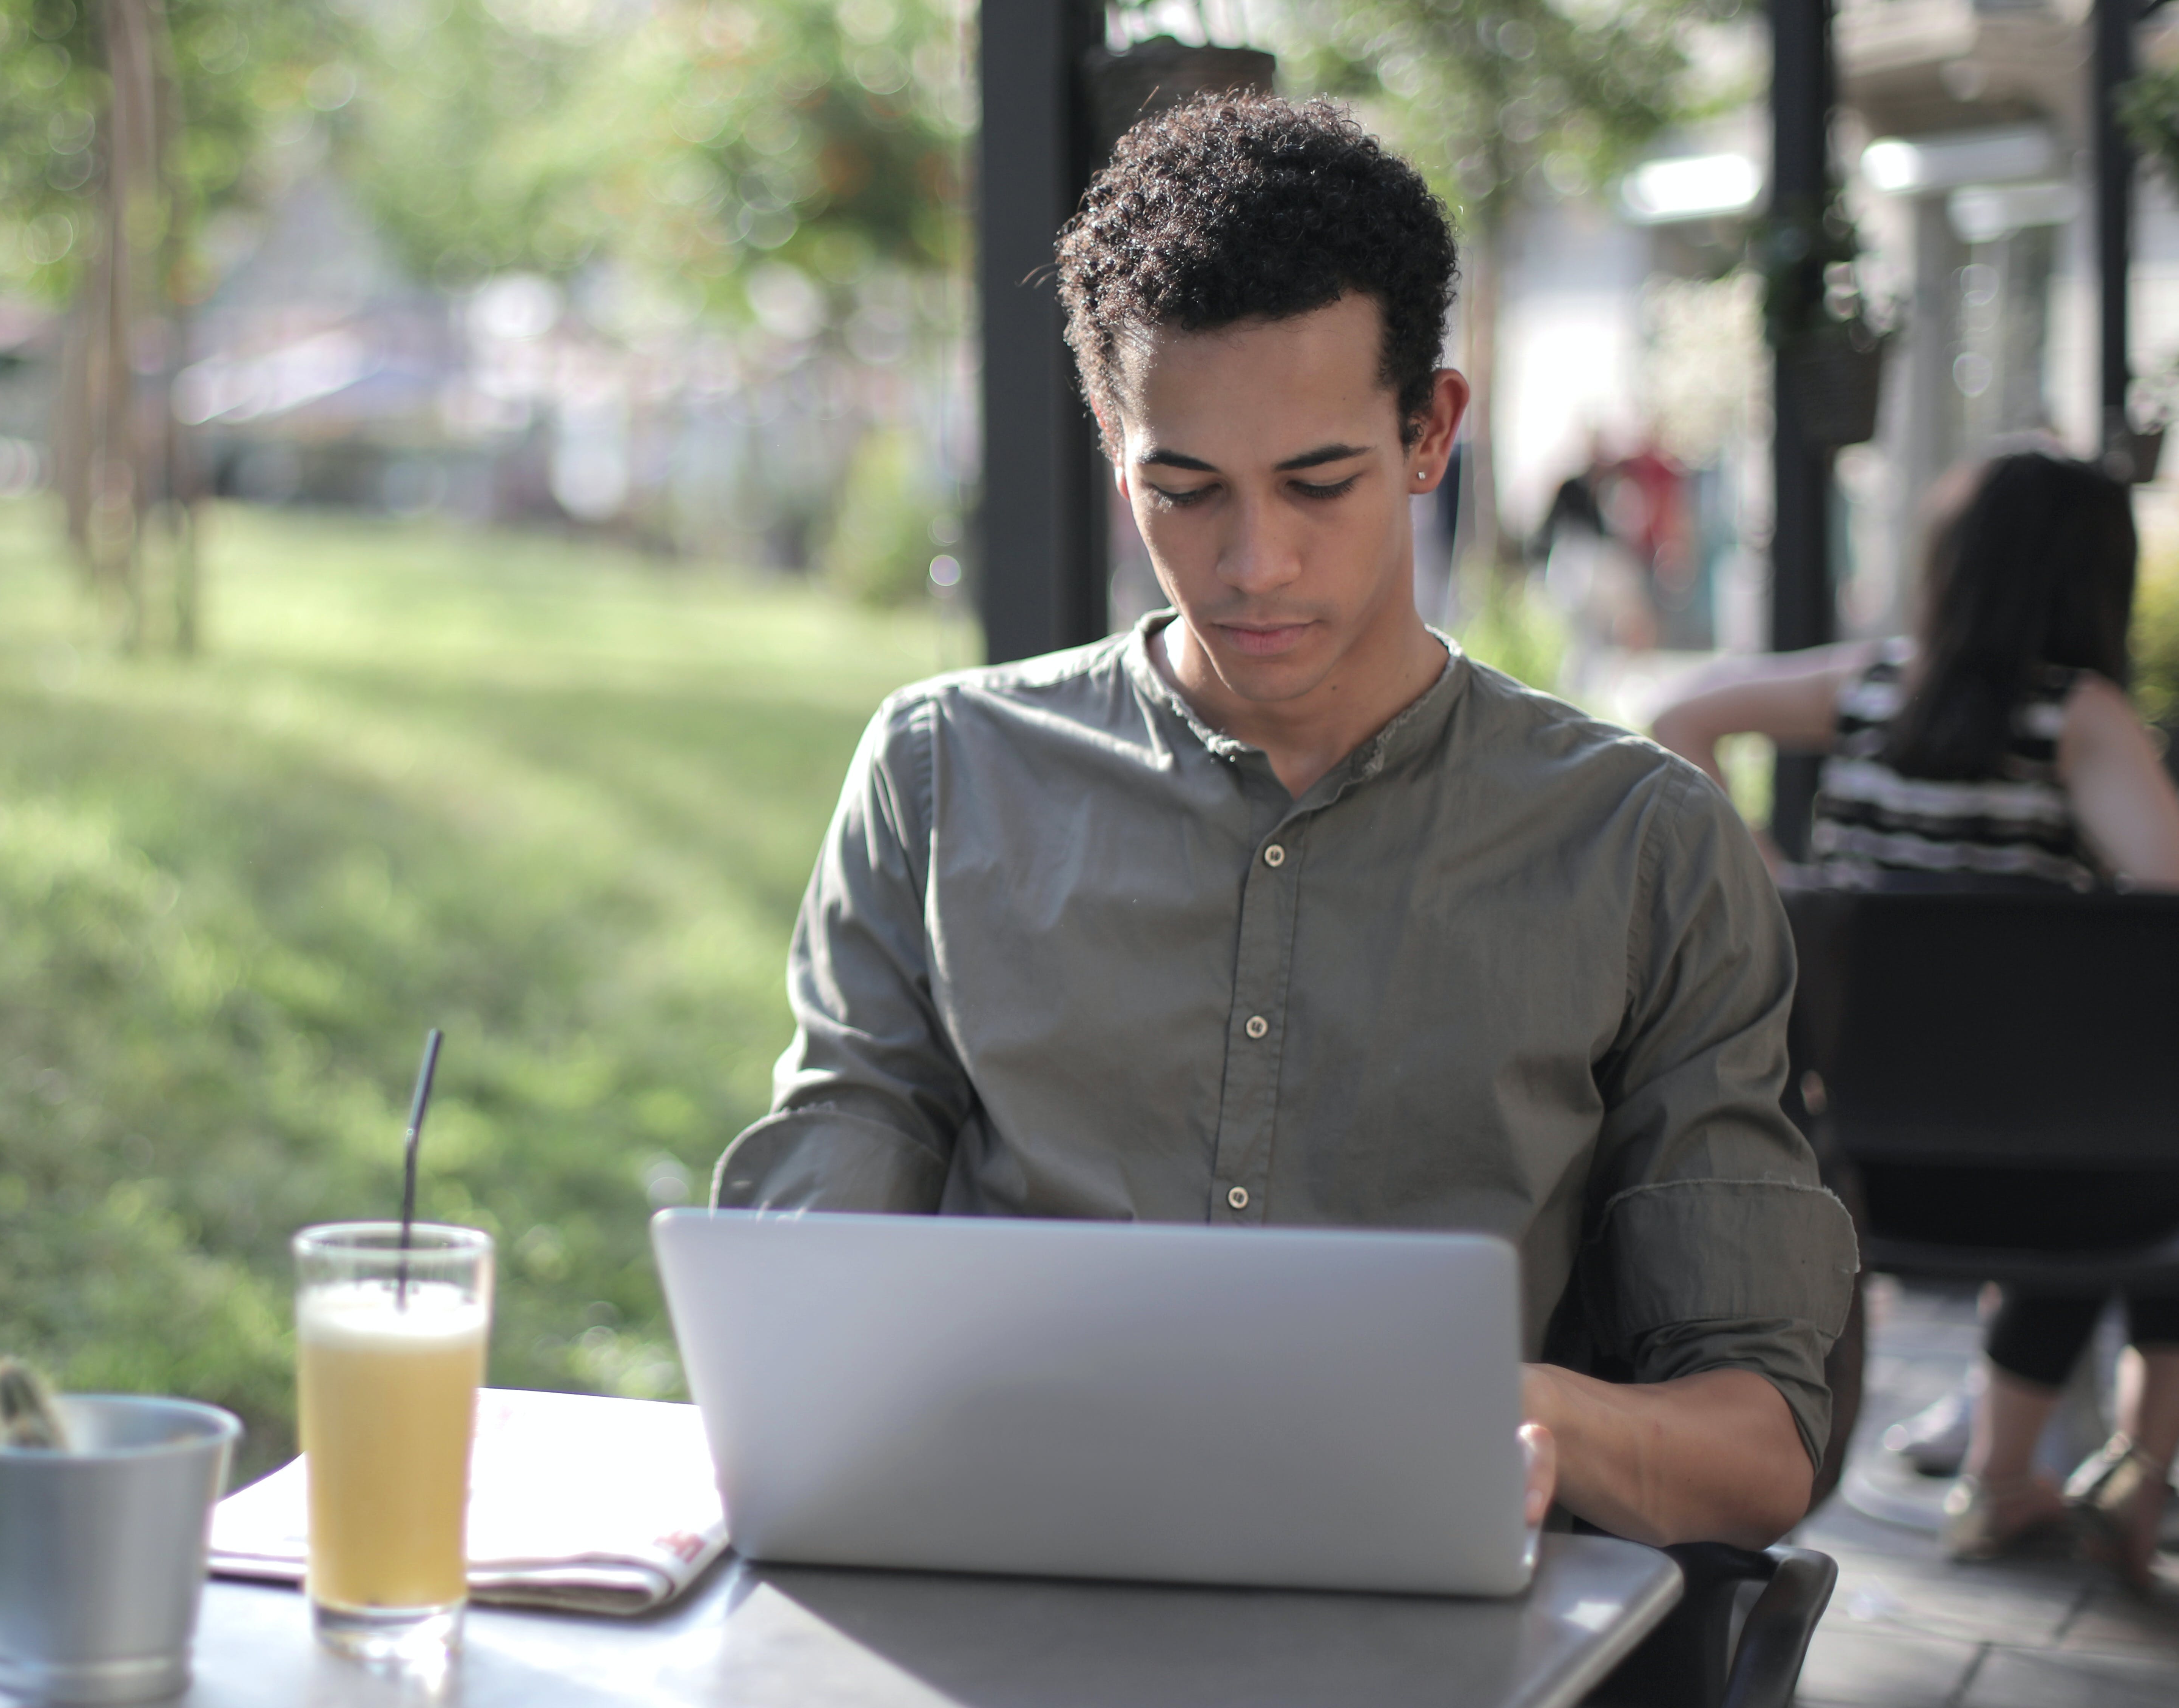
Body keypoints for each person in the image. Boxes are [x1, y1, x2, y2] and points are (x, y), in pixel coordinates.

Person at [716, 95, 1853, 1569]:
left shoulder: (1638, 849)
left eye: (1317, 484)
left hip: (1429, 1684)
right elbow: (806, 1304)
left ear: (1427, 431)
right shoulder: (942, 779)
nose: (1253, 567)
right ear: (1113, 446)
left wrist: (1504, 1415)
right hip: (1002, 1612)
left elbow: (1759, 1442)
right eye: (1181, 492)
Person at [1650, 450, 2179, 1584]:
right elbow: (2166, 895)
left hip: (1854, 1160)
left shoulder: (1869, 688)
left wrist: (1779, 883)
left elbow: (1678, 715)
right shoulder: (2080, 720)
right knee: (2152, 1155)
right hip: (2057, 1186)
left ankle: (2017, 1472)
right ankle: (2098, 1475)